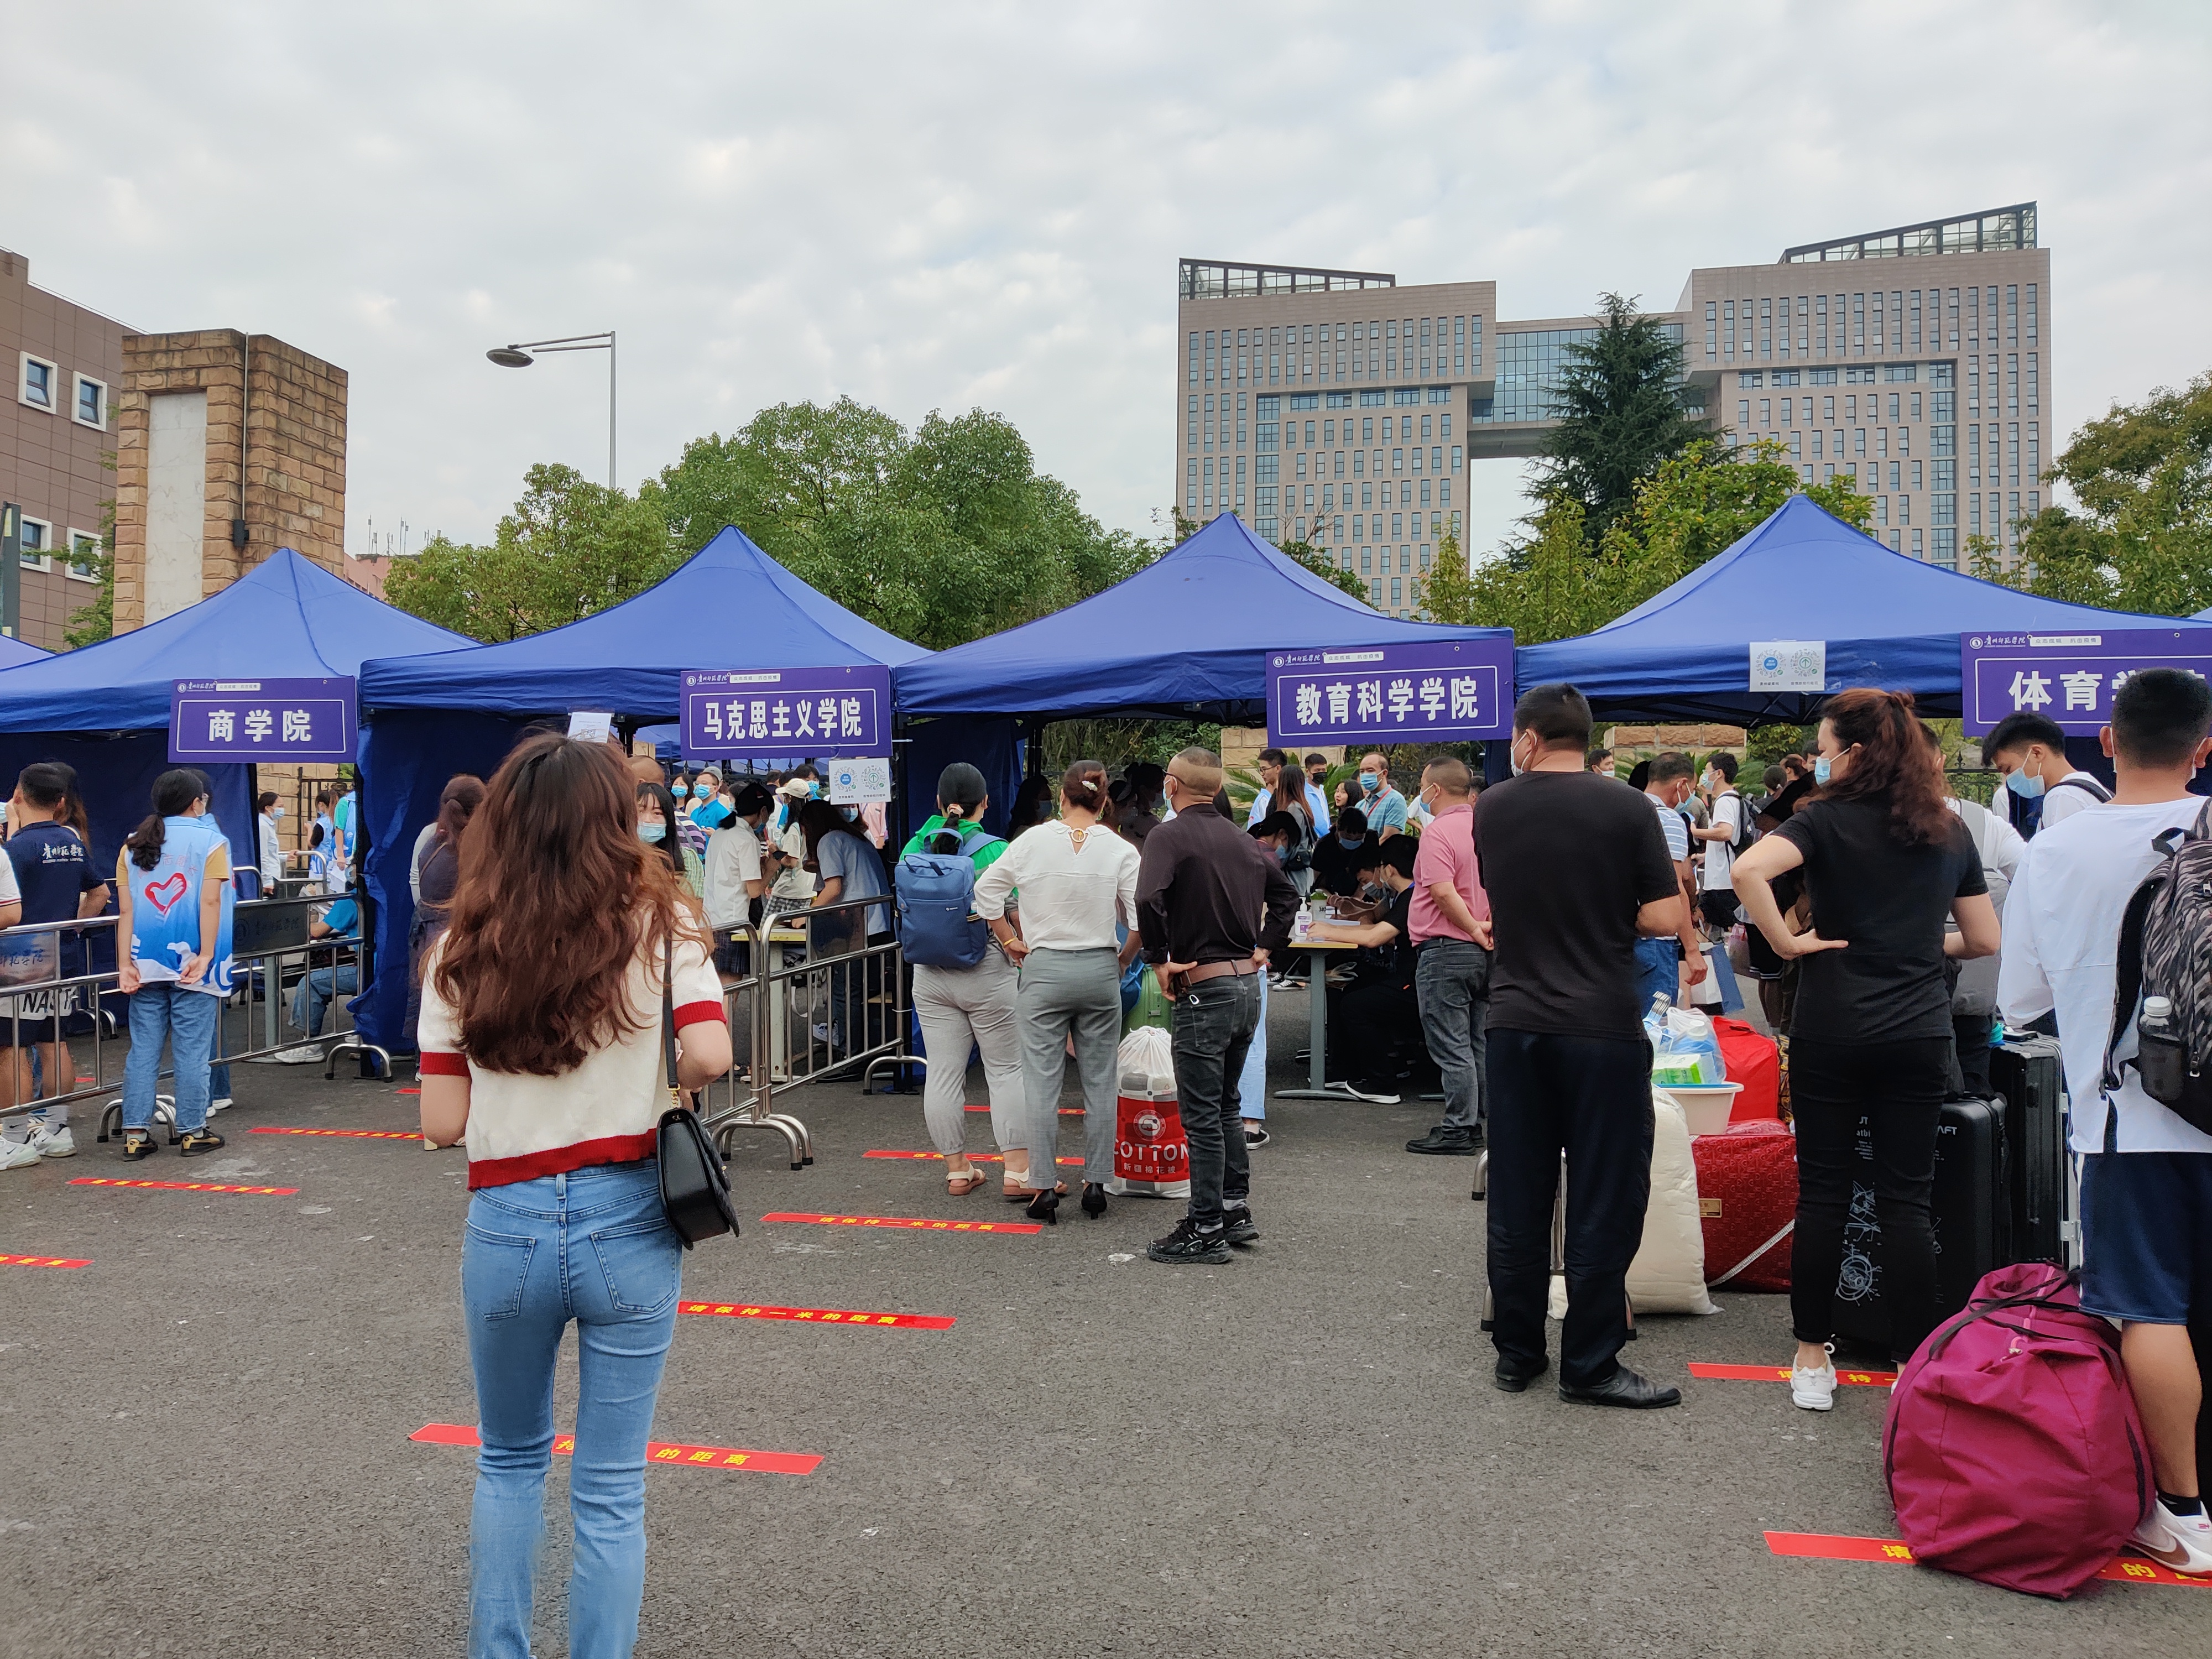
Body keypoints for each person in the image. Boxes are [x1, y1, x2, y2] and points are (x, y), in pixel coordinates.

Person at [415, 732, 732, 1654]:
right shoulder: (664, 926)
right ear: (616, 820)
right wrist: (660, 1080)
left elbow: (441, 1121)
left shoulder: (458, 948)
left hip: (507, 1221)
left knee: (510, 1461)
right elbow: (711, 1054)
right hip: (631, 1215)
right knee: (612, 1485)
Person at [1996, 667, 2212, 1572]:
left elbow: (2020, 1000)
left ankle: (2182, 1513)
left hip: (2132, 1117)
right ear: (2204, 749)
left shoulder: (2057, 851)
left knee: (2152, 1308)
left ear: (2110, 740)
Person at [1731, 688, 1999, 1407]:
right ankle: (1914, 1361)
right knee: (1905, 1200)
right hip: (1918, 1033)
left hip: (1832, 1028)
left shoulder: (1821, 821)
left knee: (1824, 1194)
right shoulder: (1947, 827)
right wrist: (1919, 945)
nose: (1817, 760)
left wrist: (1789, 943)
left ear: (1852, 753)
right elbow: (1983, 939)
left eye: (1822, 749)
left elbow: (1747, 870)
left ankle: (1811, 1356)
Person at [1477, 684, 1688, 1408]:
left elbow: (1507, 894)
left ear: (1529, 738)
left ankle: (1517, 1353)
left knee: (1518, 1192)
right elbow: (1663, 916)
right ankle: (1591, 1364)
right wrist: (1607, 910)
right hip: (1601, 1025)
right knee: (1603, 1195)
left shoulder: (1493, 806)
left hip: (1514, 1022)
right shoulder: (1629, 808)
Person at [1135, 747, 1297, 1262]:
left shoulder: (1168, 836)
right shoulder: (1245, 841)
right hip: (1247, 985)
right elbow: (1288, 898)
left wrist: (1159, 959)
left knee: (1202, 1113)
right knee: (1227, 1103)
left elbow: (1147, 898)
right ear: (1219, 787)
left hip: (1203, 988)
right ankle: (1233, 1209)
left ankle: (1204, 1226)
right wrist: (1266, 947)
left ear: (1171, 785)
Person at [973, 763, 1139, 1222]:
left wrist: (1010, 939)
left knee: (1041, 1083)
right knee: (1100, 1081)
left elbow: (986, 891)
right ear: (1104, 802)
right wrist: (1123, 960)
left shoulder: (1032, 841)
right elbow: (1141, 917)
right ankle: (1097, 1183)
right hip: (1100, 968)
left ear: (1062, 799)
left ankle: (1043, 1187)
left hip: (1043, 969)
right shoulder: (1121, 849)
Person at [900, 763, 1034, 1199]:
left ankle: (958, 1170)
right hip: (987, 972)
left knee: (943, 1071)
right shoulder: (996, 851)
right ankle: (1018, 1172)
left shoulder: (913, 847)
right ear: (986, 803)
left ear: (939, 803)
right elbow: (1015, 912)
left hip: (929, 974)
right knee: (1006, 1070)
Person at [112, 768, 234, 1161]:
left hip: (144, 963)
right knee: (192, 1052)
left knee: (143, 1052)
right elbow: (211, 901)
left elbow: (126, 912)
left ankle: (135, 1134)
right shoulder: (212, 842)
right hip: (192, 964)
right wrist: (206, 955)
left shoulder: (132, 845)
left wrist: (124, 964)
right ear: (197, 802)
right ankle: (192, 1132)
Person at [0, 764, 93, 1167]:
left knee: (11, 1047)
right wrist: (73, 927)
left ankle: (13, 1137)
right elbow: (100, 892)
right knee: (54, 1042)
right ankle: (56, 1130)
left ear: (18, 795)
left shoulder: (17, 848)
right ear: (60, 801)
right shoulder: (72, 842)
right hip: (61, 955)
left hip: (18, 958)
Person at [1404, 757, 1493, 1157]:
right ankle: (1479, 1122)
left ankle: (1458, 1127)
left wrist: (1471, 927)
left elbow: (1442, 890)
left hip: (1447, 948)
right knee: (1478, 1042)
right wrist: (1486, 928)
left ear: (1434, 790)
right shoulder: (1486, 828)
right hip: (1487, 950)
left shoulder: (1438, 832)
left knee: (1451, 1045)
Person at [1308, 837, 1422, 1102]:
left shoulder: (1413, 898)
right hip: (1408, 975)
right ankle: (1348, 1069)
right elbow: (1375, 922)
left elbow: (1374, 937)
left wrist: (1328, 931)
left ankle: (1383, 1084)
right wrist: (1334, 928)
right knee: (1351, 987)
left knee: (1356, 1005)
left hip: (1415, 981)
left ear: (1389, 869)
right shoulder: (1404, 895)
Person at [401, 775, 486, 1055]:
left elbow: (416, 880)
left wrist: (426, 910)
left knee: (430, 1002)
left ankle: (423, 1064)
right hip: (457, 932)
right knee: (458, 1004)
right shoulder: (476, 847)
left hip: (426, 932)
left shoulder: (431, 839)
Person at [801, 797, 893, 1052]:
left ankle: (849, 1053)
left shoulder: (829, 841)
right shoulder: (856, 838)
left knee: (846, 993)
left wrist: (805, 915)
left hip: (860, 929)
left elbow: (833, 888)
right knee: (857, 991)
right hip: (878, 926)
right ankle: (857, 1050)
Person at [1635, 755, 1709, 1016]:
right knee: (1656, 1024)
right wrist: (1692, 950)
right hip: (1656, 942)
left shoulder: (1622, 811)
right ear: (1681, 784)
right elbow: (1675, 886)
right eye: (1692, 789)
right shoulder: (1669, 820)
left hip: (1620, 936)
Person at [1985, 709, 2110, 834]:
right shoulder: (2085, 787)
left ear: (2036, 753)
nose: (2009, 779)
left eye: (2008, 769)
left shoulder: (2063, 796)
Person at [703, 781, 775, 975]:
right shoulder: (747, 839)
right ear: (763, 812)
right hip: (733, 924)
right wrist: (771, 869)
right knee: (730, 986)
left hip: (710, 920)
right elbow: (754, 891)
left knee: (714, 983)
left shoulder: (720, 833)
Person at [1691, 752, 1747, 936]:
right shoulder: (1734, 799)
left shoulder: (1724, 801)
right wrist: (1706, 856)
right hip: (1721, 880)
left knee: (1732, 929)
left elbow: (1725, 833)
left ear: (1719, 773)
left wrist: (1694, 832)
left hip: (1723, 882)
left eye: (1707, 771)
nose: (1704, 776)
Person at [637, 780, 704, 898]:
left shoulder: (687, 858)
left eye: (657, 813)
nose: (647, 820)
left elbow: (694, 903)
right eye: (641, 811)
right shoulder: (616, 858)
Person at [1246, 746, 1332, 834]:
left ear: (1278, 768)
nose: (1262, 774)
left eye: (1264, 769)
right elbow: (1253, 832)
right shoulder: (1263, 800)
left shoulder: (1298, 799)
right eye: (1261, 770)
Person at [1310, 805, 1376, 899]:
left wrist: (1357, 898)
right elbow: (1320, 884)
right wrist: (1334, 900)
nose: (1353, 840)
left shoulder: (1370, 840)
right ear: (1338, 828)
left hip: (1364, 896)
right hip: (1331, 895)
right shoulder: (1324, 846)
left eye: (1359, 838)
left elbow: (1370, 875)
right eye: (1348, 837)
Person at [1354, 752, 1410, 839]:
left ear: (1384, 774)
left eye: (1370, 771)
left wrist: (1366, 848)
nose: (1365, 775)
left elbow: (1389, 838)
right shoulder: (1360, 805)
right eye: (1362, 771)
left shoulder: (1396, 801)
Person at [1118, 761, 1165, 847]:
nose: (1161, 794)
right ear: (1143, 790)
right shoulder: (1151, 824)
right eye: (1158, 789)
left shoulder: (1126, 817)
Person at [1006, 774, 1056, 839]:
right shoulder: (1024, 832)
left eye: (1050, 799)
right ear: (1032, 801)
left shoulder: (1042, 827)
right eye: (1046, 798)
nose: (1049, 802)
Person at [255, 790, 285, 889]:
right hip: (269, 878)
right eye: (279, 807)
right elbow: (263, 855)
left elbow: (271, 854)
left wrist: (286, 858)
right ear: (268, 808)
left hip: (273, 875)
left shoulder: (268, 825)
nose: (282, 810)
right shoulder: (263, 825)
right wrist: (267, 881)